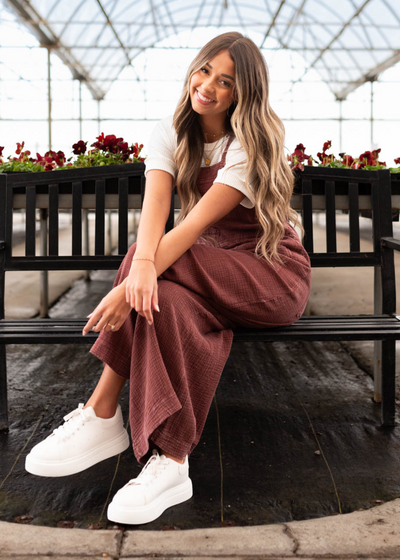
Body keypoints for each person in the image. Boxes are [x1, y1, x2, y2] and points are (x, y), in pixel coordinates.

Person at [25, 31, 311, 525]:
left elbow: (195, 224)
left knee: (147, 258)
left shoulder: (250, 141)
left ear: (243, 93)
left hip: (268, 276)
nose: (208, 87)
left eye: (226, 81)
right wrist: (136, 278)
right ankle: (172, 462)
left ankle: (103, 407)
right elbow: (157, 210)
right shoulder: (170, 131)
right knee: (167, 304)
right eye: (204, 71)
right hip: (205, 276)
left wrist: (129, 280)